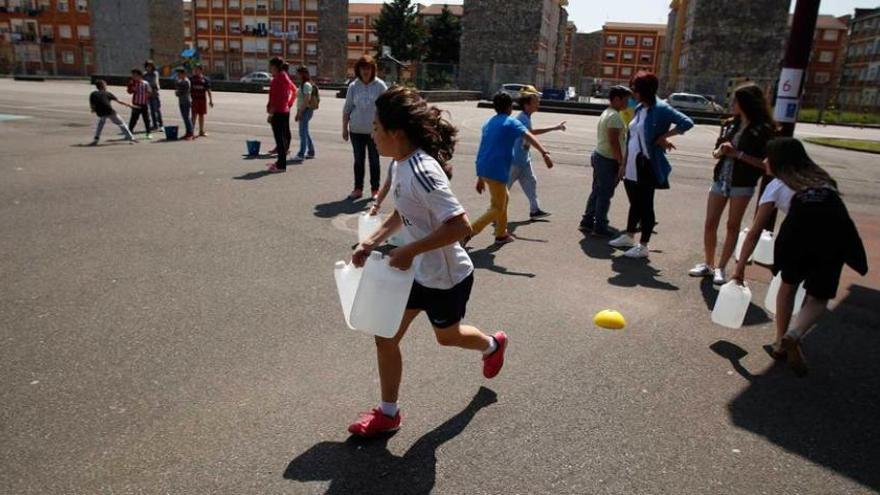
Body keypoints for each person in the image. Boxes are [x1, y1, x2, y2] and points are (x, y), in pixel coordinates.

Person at [347, 86, 507, 437]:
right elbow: (404, 212)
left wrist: (408, 251)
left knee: (447, 338)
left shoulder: (423, 170)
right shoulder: (399, 164)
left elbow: (460, 226)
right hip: (417, 274)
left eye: (375, 127)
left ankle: (492, 344)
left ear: (396, 132)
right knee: (385, 336)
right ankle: (389, 413)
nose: (371, 134)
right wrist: (371, 240)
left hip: (447, 278)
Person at [732, 138, 867, 376]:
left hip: (796, 236)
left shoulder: (775, 186)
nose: (764, 161)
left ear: (778, 162)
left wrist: (740, 266)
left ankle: (779, 343)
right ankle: (794, 334)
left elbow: (754, 233)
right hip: (831, 238)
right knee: (818, 297)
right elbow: (840, 217)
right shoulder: (822, 179)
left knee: (788, 287)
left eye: (768, 157)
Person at [689, 84, 776, 284]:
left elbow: (766, 165)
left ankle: (721, 268)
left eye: (736, 101)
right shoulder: (730, 123)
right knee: (710, 223)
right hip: (721, 179)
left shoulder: (763, 130)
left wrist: (738, 154)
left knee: (732, 225)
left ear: (746, 103)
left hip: (742, 183)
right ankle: (708, 264)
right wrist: (719, 152)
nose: (732, 104)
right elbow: (715, 151)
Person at [608, 72, 694, 258]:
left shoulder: (661, 108)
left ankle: (644, 245)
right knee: (635, 203)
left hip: (646, 163)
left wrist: (664, 137)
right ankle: (629, 235)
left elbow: (687, 122)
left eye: (635, 89)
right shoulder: (640, 108)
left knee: (646, 204)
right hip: (631, 162)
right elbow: (633, 135)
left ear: (645, 90)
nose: (633, 93)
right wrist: (623, 163)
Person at [467, 92, 554, 246]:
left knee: (504, 198)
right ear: (510, 107)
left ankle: (501, 234)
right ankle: (469, 232)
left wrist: (480, 176)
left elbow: (483, 148)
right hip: (497, 169)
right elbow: (529, 136)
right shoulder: (511, 122)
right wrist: (544, 152)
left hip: (484, 167)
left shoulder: (488, 123)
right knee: (497, 207)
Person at [580, 85, 632, 237]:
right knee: (605, 193)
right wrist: (621, 162)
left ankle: (587, 221)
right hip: (608, 160)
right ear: (617, 99)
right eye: (626, 100)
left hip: (601, 156)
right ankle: (600, 226)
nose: (628, 103)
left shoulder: (608, 113)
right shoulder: (614, 117)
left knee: (597, 190)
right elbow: (614, 142)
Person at [508, 86, 565, 220]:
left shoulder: (526, 117)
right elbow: (531, 134)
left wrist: (555, 127)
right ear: (527, 104)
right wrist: (554, 129)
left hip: (523, 159)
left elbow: (530, 133)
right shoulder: (522, 118)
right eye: (535, 101)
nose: (538, 103)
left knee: (531, 182)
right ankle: (495, 211)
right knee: (504, 188)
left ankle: (535, 210)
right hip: (514, 161)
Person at [343, 55, 387, 200]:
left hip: (374, 132)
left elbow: (386, 108)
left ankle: (375, 190)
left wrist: (385, 128)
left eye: (368, 68)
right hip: (356, 130)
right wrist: (344, 128)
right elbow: (347, 108)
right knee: (358, 161)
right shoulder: (353, 86)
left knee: (374, 160)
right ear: (358, 70)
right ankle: (357, 189)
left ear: (372, 69)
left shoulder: (380, 85)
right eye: (362, 68)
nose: (365, 71)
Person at [266, 57, 295, 173]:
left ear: (275, 67)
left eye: (271, 67)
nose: (270, 69)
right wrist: (289, 103)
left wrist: (271, 114)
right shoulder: (284, 77)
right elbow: (293, 90)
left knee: (279, 140)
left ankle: (281, 165)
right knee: (282, 138)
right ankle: (280, 162)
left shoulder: (277, 79)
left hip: (278, 112)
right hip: (284, 111)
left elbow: (276, 99)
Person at [88, 79, 136, 145]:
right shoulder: (107, 93)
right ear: (103, 86)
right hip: (110, 111)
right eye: (105, 85)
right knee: (121, 124)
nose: (106, 86)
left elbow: (92, 104)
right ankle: (131, 138)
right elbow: (119, 101)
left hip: (101, 112)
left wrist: (93, 109)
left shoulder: (93, 94)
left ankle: (96, 139)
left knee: (100, 125)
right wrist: (129, 105)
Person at [293, 65, 317, 161]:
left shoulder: (306, 85)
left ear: (302, 74)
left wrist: (299, 113)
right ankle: (311, 152)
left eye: (298, 73)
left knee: (302, 133)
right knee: (305, 132)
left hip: (305, 111)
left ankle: (301, 154)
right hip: (304, 110)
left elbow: (307, 99)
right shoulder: (303, 84)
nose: (297, 75)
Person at [126, 68, 153, 139]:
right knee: (133, 119)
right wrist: (131, 87)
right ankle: (129, 133)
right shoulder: (132, 83)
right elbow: (129, 92)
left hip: (144, 104)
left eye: (135, 75)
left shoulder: (145, 83)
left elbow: (150, 91)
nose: (133, 77)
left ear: (140, 76)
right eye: (133, 75)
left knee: (146, 119)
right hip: (136, 104)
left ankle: (148, 133)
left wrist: (147, 96)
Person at [190, 64, 214, 137]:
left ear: (201, 70)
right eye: (195, 69)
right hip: (194, 100)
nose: (196, 71)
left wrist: (210, 100)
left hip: (202, 100)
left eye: (197, 69)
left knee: (201, 115)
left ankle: (201, 131)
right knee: (193, 116)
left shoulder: (205, 79)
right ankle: (191, 131)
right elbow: (188, 89)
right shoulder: (191, 79)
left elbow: (208, 90)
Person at [174, 68, 194, 140]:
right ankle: (187, 132)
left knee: (187, 117)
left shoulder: (186, 81)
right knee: (185, 118)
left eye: (179, 74)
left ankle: (190, 133)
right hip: (181, 101)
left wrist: (177, 92)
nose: (177, 75)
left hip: (186, 101)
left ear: (183, 74)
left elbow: (181, 91)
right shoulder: (181, 81)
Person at [143, 60, 163, 131]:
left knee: (156, 109)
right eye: (147, 66)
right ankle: (155, 125)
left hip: (154, 93)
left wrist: (152, 88)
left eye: (150, 66)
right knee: (151, 110)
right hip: (148, 94)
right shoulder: (145, 75)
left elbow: (155, 83)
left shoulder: (155, 73)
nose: (149, 68)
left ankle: (160, 124)